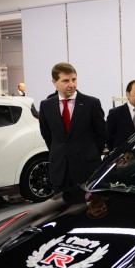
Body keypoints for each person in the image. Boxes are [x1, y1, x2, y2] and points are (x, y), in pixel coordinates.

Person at [39, 62, 107, 203]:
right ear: (54, 82)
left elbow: (101, 134)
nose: (72, 84)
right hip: (59, 170)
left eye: (74, 79)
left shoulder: (91, 103)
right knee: (61, 212)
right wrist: (59, 153)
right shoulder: (46, 105)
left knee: (87, 211)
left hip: (86, 169)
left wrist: (91, 154)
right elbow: (47, 135)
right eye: (66, 81)